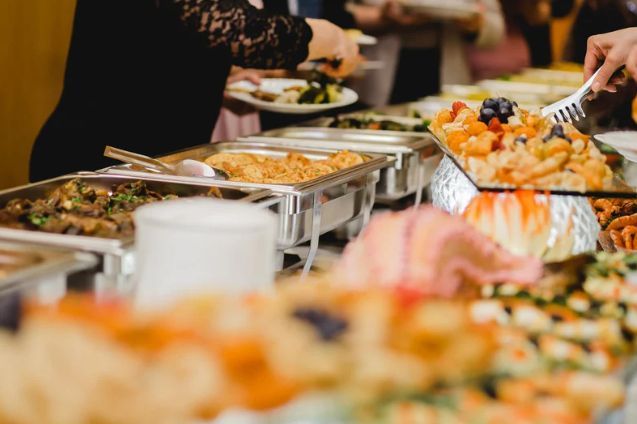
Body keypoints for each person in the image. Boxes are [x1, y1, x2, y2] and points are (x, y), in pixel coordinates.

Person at [30, 0, 359, 182]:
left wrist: (217, 71)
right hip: (103, 161)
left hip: (166, 161)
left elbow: (168, 32)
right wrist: (331, 37)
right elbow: (245, 32)